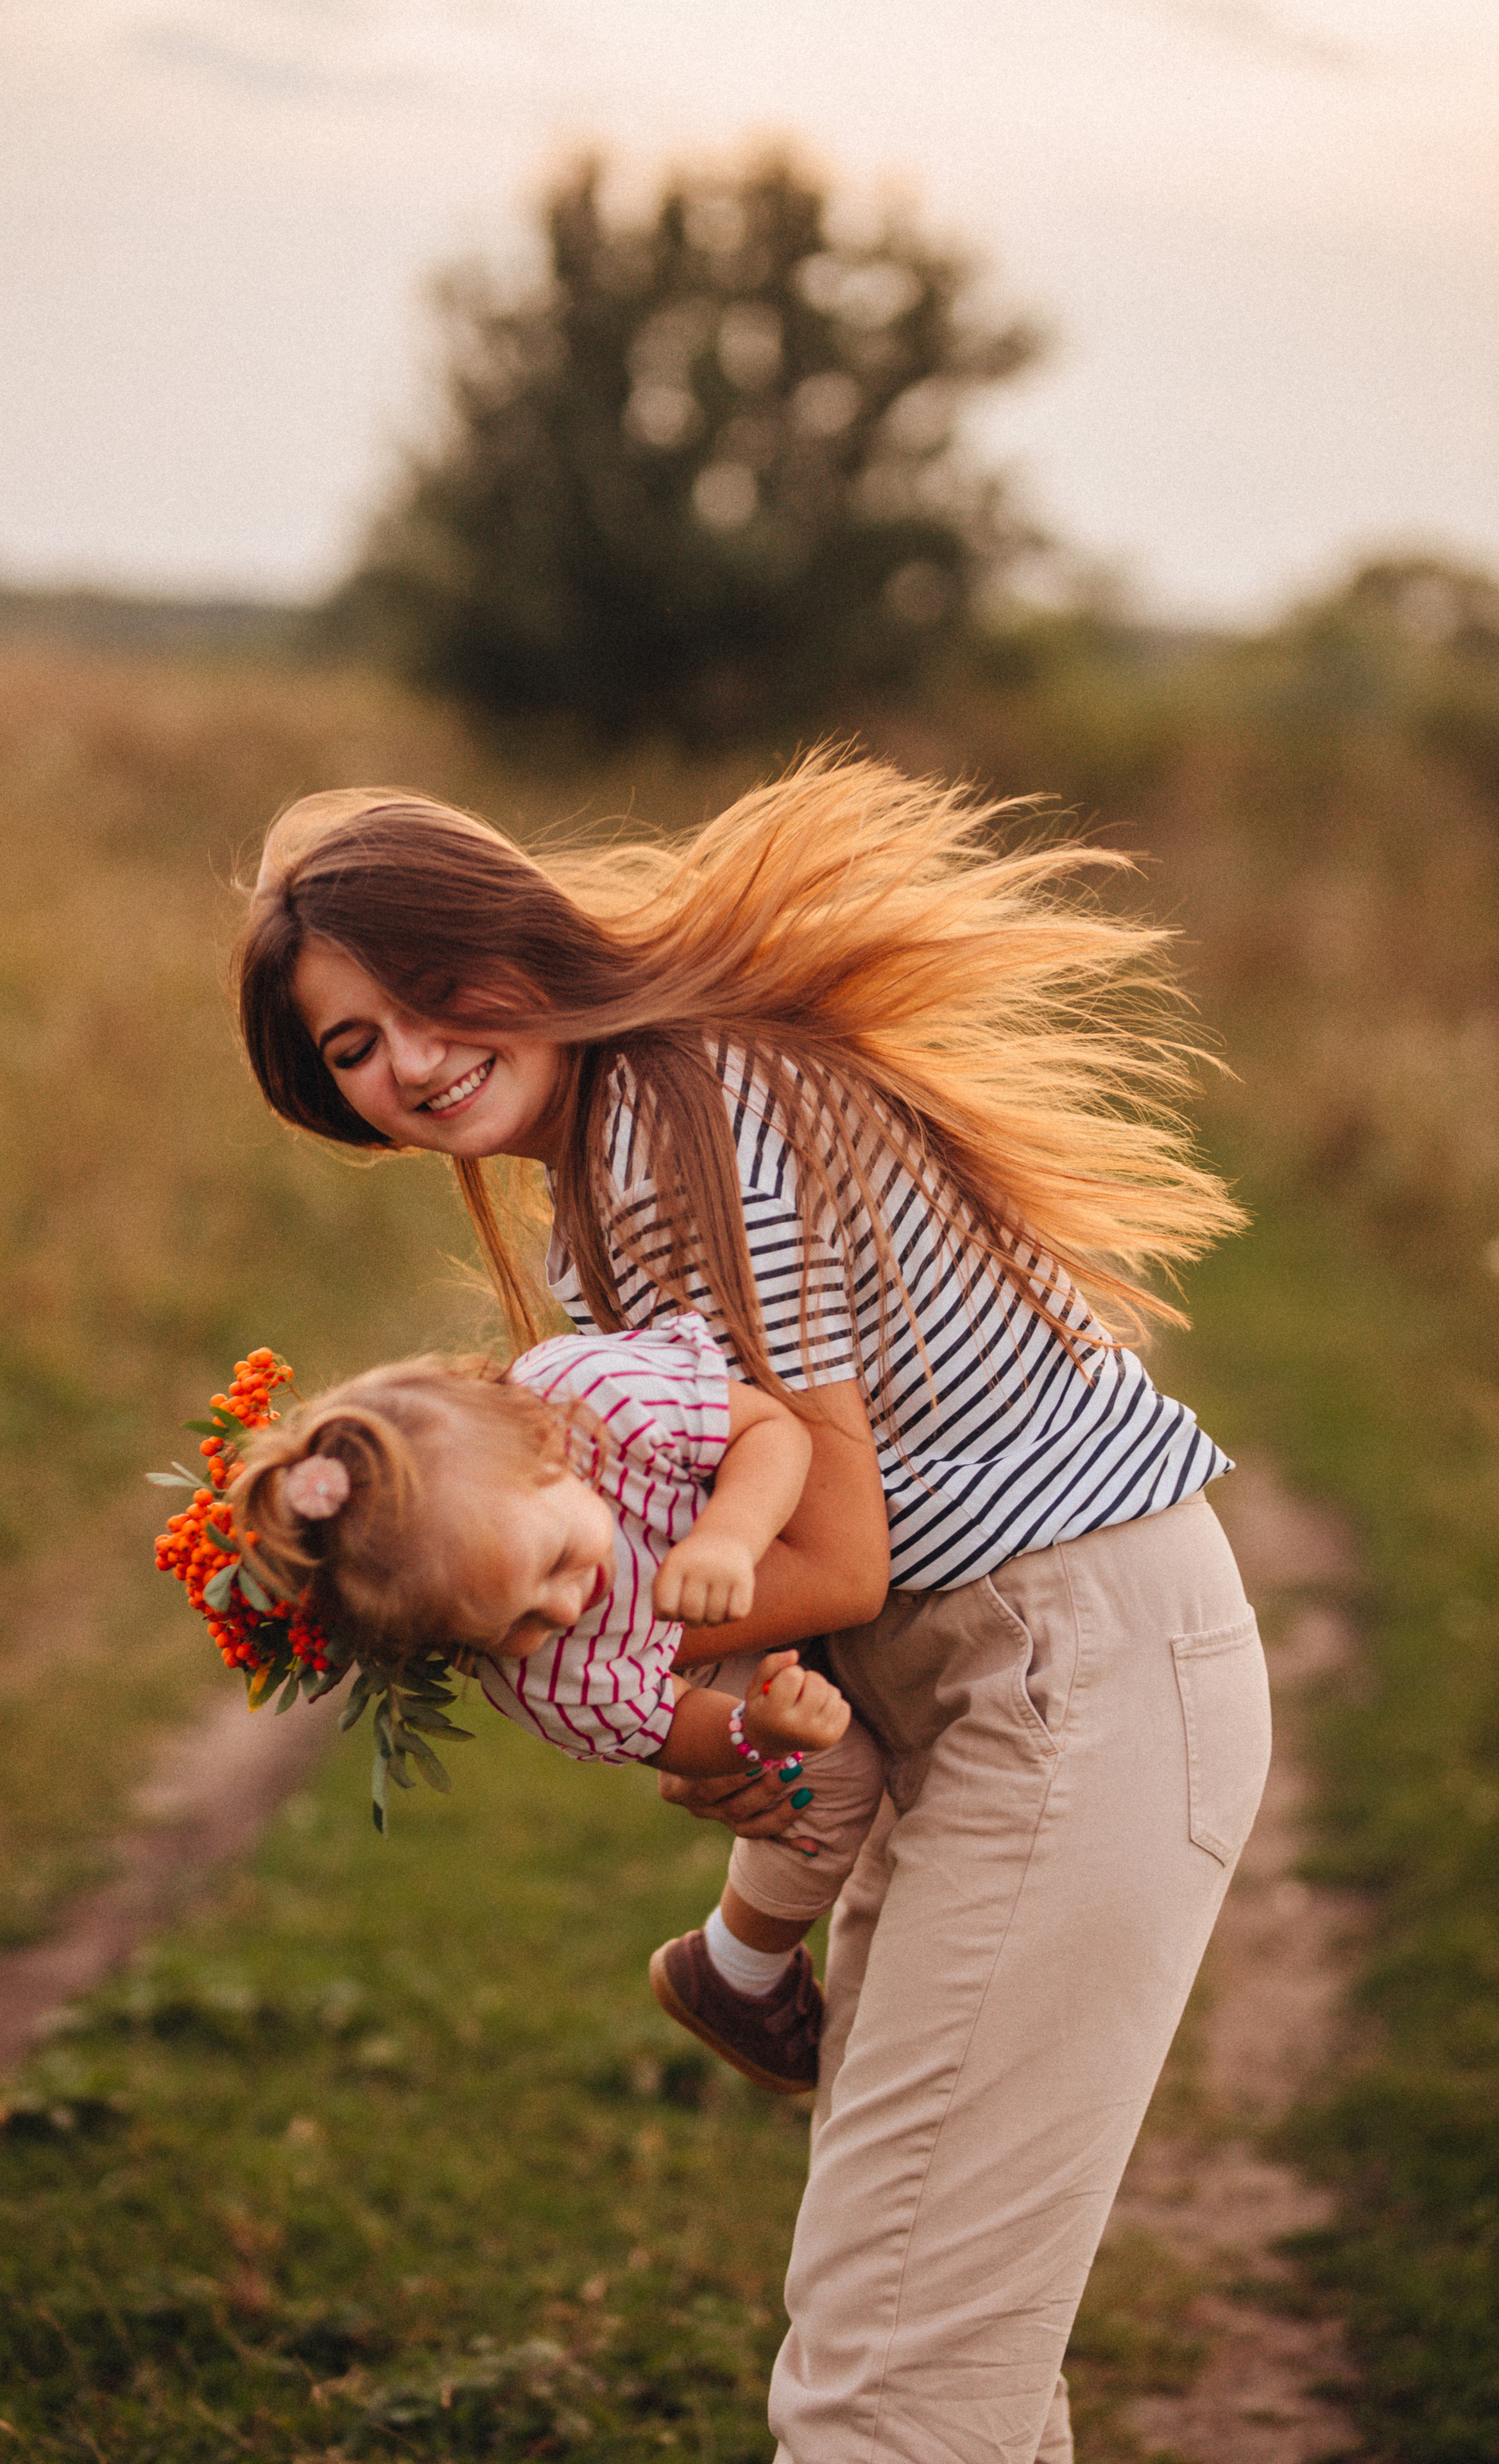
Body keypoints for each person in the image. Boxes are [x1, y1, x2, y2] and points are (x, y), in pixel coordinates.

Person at [234, 756, 1273, 2464]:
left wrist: (537, 1637)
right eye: (355, 1047)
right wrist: (722, 1716)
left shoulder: (687, 1131)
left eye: (425, 997)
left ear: (515, 935)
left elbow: (831, 1557)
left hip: (1070, 1670)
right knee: (940, 2338)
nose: (408, 1062)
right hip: (980, 1682)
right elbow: (761, 1568)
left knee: (887, 2375)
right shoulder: (616, 1174)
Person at [227, 1312, 891, 2094]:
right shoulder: (547, 1680)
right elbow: (671, 1729)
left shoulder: (599, 1401)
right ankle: (739, 1966)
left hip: (740, 1524)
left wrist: (728, 1538)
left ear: (546, 1447)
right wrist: (757, 1730)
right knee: (833, 1780)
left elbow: (769, 1432)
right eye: (514, 1626)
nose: (566, 1610)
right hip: (715, 1661)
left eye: (555, 1560)